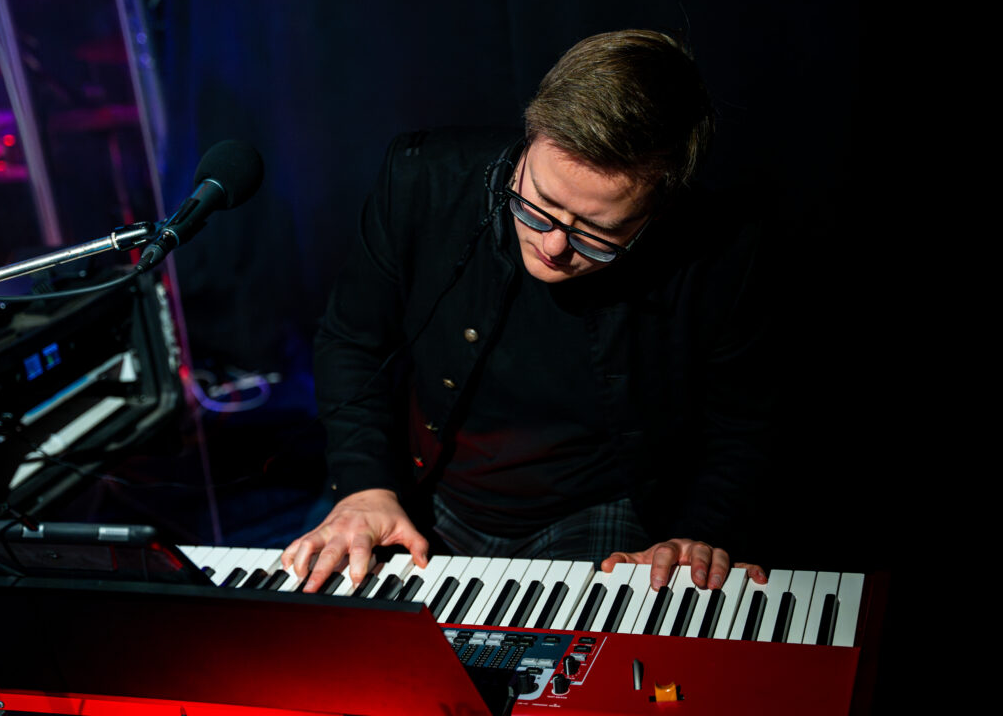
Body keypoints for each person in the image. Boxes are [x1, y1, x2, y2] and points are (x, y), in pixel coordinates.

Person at [283, 30, 772, 596]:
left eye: (598, 232)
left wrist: (698, 532)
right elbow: (351, 340)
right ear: (530, 135)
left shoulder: (724, 253)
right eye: (540, 203)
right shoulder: (422, 177)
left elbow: (744, 421)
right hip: (421, 485)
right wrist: (364, 486)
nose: (555, 246)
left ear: (658, 212)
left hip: (595, 510)